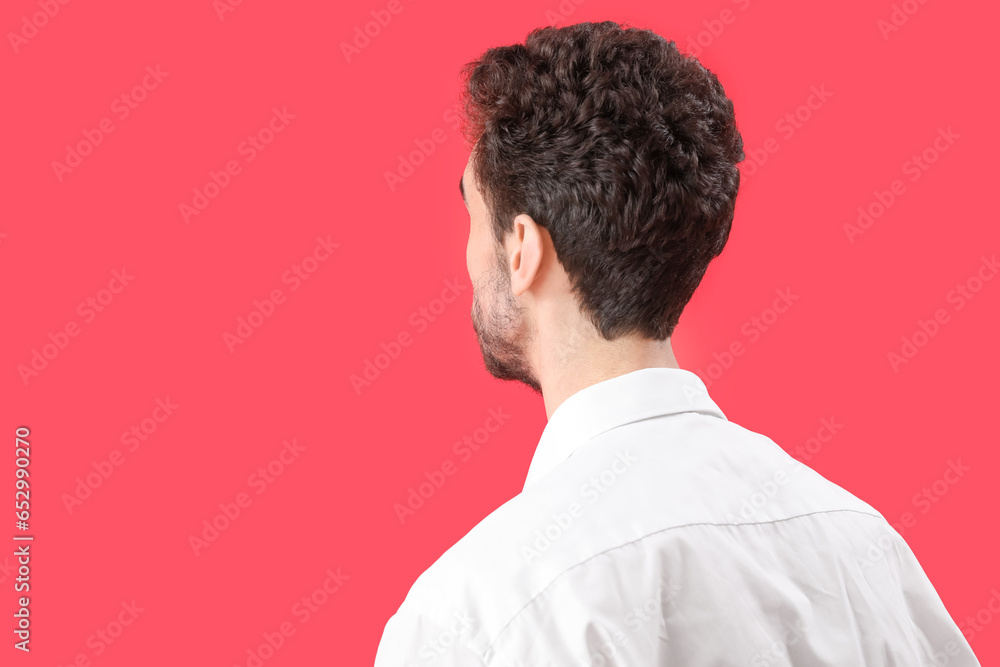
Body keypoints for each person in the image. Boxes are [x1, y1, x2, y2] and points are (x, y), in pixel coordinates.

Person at [374, 20, 980, 666]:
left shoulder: (478, 616)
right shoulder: (866, 553)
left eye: (472, 213)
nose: (467, 258)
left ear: (523, 249)